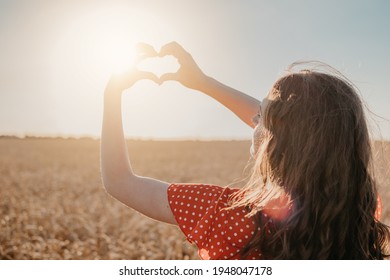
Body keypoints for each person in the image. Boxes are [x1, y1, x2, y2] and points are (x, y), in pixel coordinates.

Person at [101, 42, 390, 259]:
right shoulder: (361, 207)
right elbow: (303, 131)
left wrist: (112, 93)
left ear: (277, 142)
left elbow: (119, 181)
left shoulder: (229, 214)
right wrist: (203, 83)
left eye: (261, 115)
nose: (253, 117)